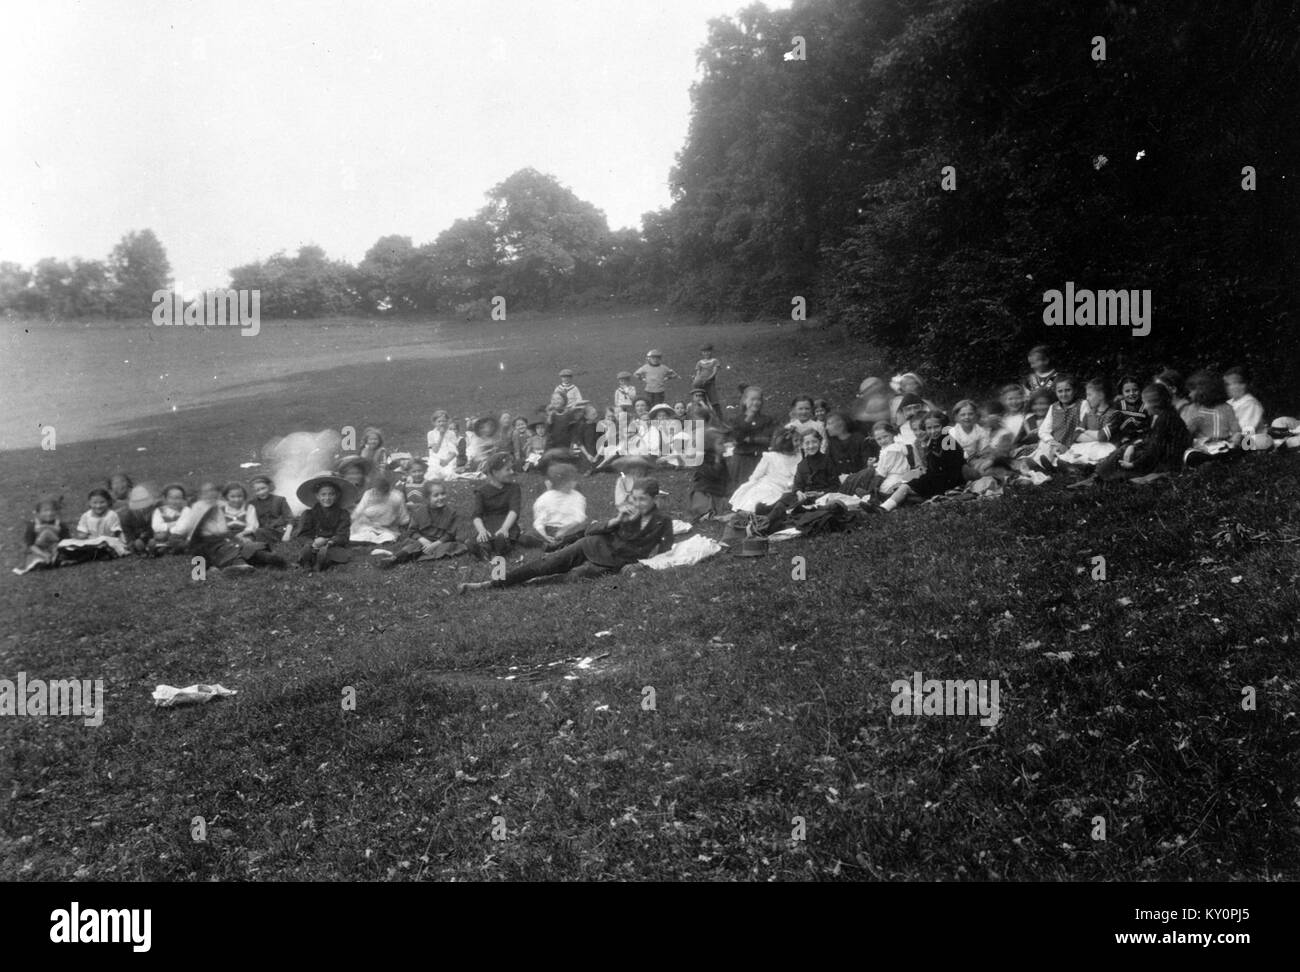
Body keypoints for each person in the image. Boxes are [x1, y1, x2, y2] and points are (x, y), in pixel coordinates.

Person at [459, 478, 673, 592]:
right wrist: (615, 521)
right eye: (634, 499)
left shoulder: (663, 522)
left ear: (655, 499)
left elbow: (664, 553)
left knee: (567, 578)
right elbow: (590, 531)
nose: (636, 504)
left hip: (609, 565)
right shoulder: (626, 514)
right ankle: (490, 584)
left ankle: (520, 585)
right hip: (590, 545)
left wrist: (639, 566)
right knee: (545, 565)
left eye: (642, 500)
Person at [1091, 382, 1193, 484]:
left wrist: (1134, 464)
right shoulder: (1165, 415)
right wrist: (1134, 446)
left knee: (1121, 459)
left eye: (1146, 403)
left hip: (1165, 464)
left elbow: (1154, 450)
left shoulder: (1165, 419)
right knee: (1125, 449)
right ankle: (1099, 473)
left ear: (1155, 403)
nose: (1144, 407)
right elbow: (1151, 440)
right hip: (1160, 458)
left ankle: (1099, 476)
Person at [873, 411, 966, 511]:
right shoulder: (935, 442)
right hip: (937, 478)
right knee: (907, 487)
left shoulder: (948, 442)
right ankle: (884, 505)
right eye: (929, 428)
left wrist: (926, 479)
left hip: (949, 481)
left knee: (906, 487)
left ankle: (884, 508)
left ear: (943, 426)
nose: (933, 431)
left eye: (937, 427)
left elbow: (952, 468)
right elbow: (931, 467)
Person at [754, 429, 838, 527]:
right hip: (806, 497)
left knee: (784, 503)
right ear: (802, 445)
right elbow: (797, 485)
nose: (811, 446)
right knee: (786, 496)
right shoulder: (802, 465)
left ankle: (766, 520)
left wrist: (820, 493)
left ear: (820, 442)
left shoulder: (827, 461)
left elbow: (836, 485)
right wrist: (799, 492)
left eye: (814, 442)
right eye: (807, 443)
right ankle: (768, 513)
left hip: (822, 496)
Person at [375, 480, 466, 567]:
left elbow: (450, 535)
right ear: (427, 498)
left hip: (441, 542)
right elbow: (412, 531)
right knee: (414, 546)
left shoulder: (451, 513)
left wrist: (434, 545)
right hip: (423, 540)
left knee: (449, 547)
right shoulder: (420, 512)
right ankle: (394, 559)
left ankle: (419, 554)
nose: (440, 497)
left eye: (443, 494)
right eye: (436, 495)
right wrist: (423, 540)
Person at [727, 429, 801, 514]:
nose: (799, 443)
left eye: (799, 440)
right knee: (759, 499)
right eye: (796, 440)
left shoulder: (799, 457)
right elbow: (756, 476)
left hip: (787, 490)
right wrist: (751, 486)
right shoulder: (771, 457)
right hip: (769, 486)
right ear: (786, 443)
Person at [295, 475, 357, 571]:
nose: (327, 498)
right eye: (323, 495)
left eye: (331, 494)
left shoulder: (343, 514)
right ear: (317, 496)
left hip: (333, 545)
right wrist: (313, 543)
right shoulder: (309, 514)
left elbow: (343, 535)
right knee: (306, 551)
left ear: (336, 496)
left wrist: (329, 541)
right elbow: (302, 535)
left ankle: (321, 562)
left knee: (328, 553)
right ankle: (309, 562)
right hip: (313, 544)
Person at [467, 453, 522, 559]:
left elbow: (513, 510)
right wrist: (481, 530)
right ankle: (484, 549)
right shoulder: (481, 491)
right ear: (495, 472)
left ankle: (501, 546)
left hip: (507, 524)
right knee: (481, 539)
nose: (512, 472)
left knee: (502, 537)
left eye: (512, 469)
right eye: (508, 469)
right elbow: (476, 515)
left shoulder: (514, 488)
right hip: (488, 525)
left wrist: (504, 528)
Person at [1182, 368, 1242, 465]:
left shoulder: (1226, 408)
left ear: (1204, 391)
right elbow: (1185, 434)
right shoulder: (1193, 409)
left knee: (1238, 450)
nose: (1189, 394)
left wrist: (1236, 438)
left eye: (1192, 391)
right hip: (1202, 448)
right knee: (1191, 455)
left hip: (1223, 445)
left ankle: (1216, 460)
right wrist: (1192, 426)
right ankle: (1212, 461)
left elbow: (1236, 430)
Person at [727, 385, 778, 491]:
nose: (756, 402)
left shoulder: (767, 420)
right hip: (742, 461)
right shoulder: (736, 420)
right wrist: (748, 418)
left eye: (758, 399)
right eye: (752, 399)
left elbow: (768, 439)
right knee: (741, 491)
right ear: (745, 401)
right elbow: (737, 439)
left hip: (760, 460)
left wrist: (749, 439)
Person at [527, 462, 589, 550]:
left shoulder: (577, 497)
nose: (574, 483)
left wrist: (564, 530)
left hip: (570, 528)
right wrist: (544, 534)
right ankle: (549, 543)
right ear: (562, 482)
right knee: (528, 536)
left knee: (585, 528)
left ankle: (555, 545)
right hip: (550, 529)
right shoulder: (545, 498)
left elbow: (579, 518)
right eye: (571, 480)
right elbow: (540, 520)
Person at [13, 494, 70, 574]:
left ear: (57, 511)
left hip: (55, 548)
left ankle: (55, 560)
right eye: (45, 510)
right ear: (37, 513)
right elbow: (30, 545)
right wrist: (43, 554)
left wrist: (56, 551)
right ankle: (43, 563)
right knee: (37, 561)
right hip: (38, 550)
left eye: (53, 510)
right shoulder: (32, 526)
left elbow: (65, 541)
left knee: (62, 557)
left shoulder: (61, 525)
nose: (49, 513)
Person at [349, 474, 409, 544]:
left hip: (388, 529)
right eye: (375, 490)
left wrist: (392, 523)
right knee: (361, 535)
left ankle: (378, 539)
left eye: (380, 490)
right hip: (366, 526)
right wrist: (362, 520)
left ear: (388, 488)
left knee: (388, 537)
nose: (377, 493)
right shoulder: (368, 494)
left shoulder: (396, 496)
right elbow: (357, 513)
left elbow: (404, 519)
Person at [689, 429, 729, 522]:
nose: (724, 447)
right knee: (703, 504)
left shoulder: (719, 458)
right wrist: (717, 460)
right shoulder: (702, 459)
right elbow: (712, 474)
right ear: (710, 445)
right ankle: (708, 512)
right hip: (706, 490)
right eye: (720, 444)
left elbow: (725, 476)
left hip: (718, 490)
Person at [249, 475, 295, 545]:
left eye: (263, 488)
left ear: (269, 487)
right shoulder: (252, 504)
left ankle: (264, 547)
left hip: (279, 531)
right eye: (257, 490)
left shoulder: (280, 500)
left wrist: (287, 534)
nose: (261, 492)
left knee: (259, 532)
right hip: (261, 531)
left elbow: (290, 519)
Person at [149, 483, 191, 555]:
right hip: (162, 538)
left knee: (179, 540)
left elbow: (183, 528)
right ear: (165, 499)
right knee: (156, 539)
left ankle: (172, 548)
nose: (174, 501)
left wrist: (168, 527)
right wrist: (173, 524)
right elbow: (156, 527)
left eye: (178, 498)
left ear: (183, 499)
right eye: (171, 498)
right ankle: (165, 548)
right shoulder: (159, 511)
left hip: (179, 537)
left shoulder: (186, 510)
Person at [1224, 367, 1265, 435]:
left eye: (1233, 383)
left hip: (1248, 442)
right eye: (1227, 384)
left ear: (1243, 385)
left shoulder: (1250, 404)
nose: (1228, 388)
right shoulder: (1229, 403)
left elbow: (1246, 432)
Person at [426, 410, 459, 480]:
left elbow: (454, 452)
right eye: (439, 421)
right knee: (433, 476)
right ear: (434, 423)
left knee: (449, 474)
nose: (442, 423)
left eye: (444, 421)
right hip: (435, 460)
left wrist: (447, 461)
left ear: (448, 422)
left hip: (448, 459)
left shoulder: (451, 434)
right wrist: (441, 435)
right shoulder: (431, 434)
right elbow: (435, 450)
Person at [693, 344, 721, 410]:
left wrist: (708, 379)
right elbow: (698, 373)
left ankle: (719, 417)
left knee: (714, 401)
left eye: (708, 351)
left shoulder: (715, 361)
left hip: (710, 383)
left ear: (711, 351)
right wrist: (697, 379)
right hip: (701, 383)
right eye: (704, 352)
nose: (706, 353)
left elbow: (714, 372)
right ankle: (705, 417)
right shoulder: (699, 362)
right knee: (702, 400)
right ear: (702, 352)